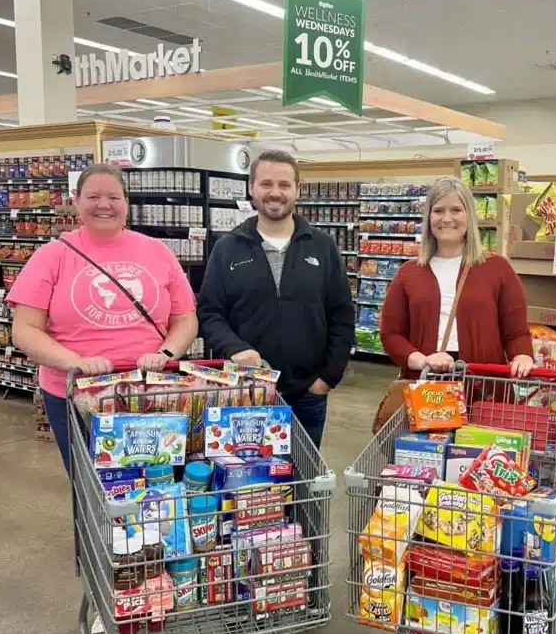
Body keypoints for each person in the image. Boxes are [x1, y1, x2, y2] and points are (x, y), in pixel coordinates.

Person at [8, 163, 198, 474]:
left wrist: (165, 353)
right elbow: (25, 331)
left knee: (156, 481)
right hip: (77, 395)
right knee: (92, 490)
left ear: (126, 202)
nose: (104, 205)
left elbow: (185, 320)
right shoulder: (52, 255)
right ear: (77, 200)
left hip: (149, 392)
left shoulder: (158, 252)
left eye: (113, 196)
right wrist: (75, 361)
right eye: (93, 196)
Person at [198, 149, 355, 448]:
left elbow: (342, 315)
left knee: (305, 483)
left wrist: (326, 380)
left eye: (284, 185)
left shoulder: (322, 246)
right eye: (266, 184)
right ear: (251, 188)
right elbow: (209, 313)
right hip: (245, 392)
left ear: (298, 190)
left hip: (308, 394)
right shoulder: (227, 247)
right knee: (248, 484)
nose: (275, 193)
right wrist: (235, 348)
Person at [380, 176, 534, 377]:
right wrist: (420, 360)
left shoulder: (498, 268)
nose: (446, 219)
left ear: (469, 215)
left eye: (456, 210)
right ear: (428, 218)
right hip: (427, 386)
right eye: (438, 211)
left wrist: (522, 356)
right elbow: (391, 334)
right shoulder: (408, 273)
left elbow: (516, 331)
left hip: (483, 384)